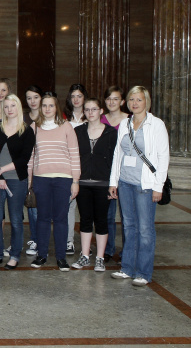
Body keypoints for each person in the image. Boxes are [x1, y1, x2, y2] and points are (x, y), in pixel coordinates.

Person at [109, 86, 169, 287]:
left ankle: (143, 272)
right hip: (125, 182)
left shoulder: (156, 125)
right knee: (128, 226)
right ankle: (127, 268)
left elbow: (163, 157)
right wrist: (113, 181)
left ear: (146, 102)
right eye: (132, 99)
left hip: (145, 184)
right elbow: (118, 154)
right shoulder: (125, 124)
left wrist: (158, 186)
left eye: (139, 99)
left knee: (145, 229)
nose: (135, 103)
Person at [28, 92, 81, 272]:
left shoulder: (66, 127)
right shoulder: (34, 127)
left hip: (63, 179)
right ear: (40, 108)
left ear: (56, 107)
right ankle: (41, 255)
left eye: (51, 105)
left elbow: (75, 155)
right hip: (41, 179)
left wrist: (75, 181)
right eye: (44, 106)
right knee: (42, 218)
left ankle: (61, 258)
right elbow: (31, 157)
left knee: (60, 219)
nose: (47, 109)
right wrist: (30, 181)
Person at [0, 95, 35, 270]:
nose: (9, 109)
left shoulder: (27, 131)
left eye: (12, 106)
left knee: (15, 219)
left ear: (19, 107)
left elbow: (24, 158)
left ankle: (14, 255)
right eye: (6, 106)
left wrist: (2, 171)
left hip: (17, 179)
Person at [72, 97, 116, 272]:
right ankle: (84, 255)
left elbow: (115, 160)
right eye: (87, 110)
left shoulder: (111, 133)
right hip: (83, 182)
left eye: (94, 109)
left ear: (101, 111)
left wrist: (114, 183)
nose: (90, 113)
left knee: (101, 220)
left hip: (103, 183)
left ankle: (99, 258)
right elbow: (74, 157)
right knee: (85, 219)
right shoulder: (78, 132)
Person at [101, 85, 129, 262]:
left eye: (116, 99)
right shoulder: (100, 119)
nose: (112, 102)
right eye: (109, 99)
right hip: (105, 173)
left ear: (122, 102)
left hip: (126, 172)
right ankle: (108, 249)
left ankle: (127, 250)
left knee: (127, 216)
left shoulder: (129, 120)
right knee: (108, 215)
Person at [64, 83, 89, 255]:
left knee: (86, 208)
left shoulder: (92, 118)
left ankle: (87, 246)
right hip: (69, 167)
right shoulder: (64, 119)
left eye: (79, 96)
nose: (76, 99)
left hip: (87, 167)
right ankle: (69, 241)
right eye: (73, 96)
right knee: (69, 206)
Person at [22, 85, 44, 257]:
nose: (32, 101)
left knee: (38, 208)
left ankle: (39, 239)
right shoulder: (23, 119)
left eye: (35, 97)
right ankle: (35, 237)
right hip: (26, 167)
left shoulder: (48, 119)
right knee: (31, 204)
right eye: (29, 98)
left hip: (43, 167)